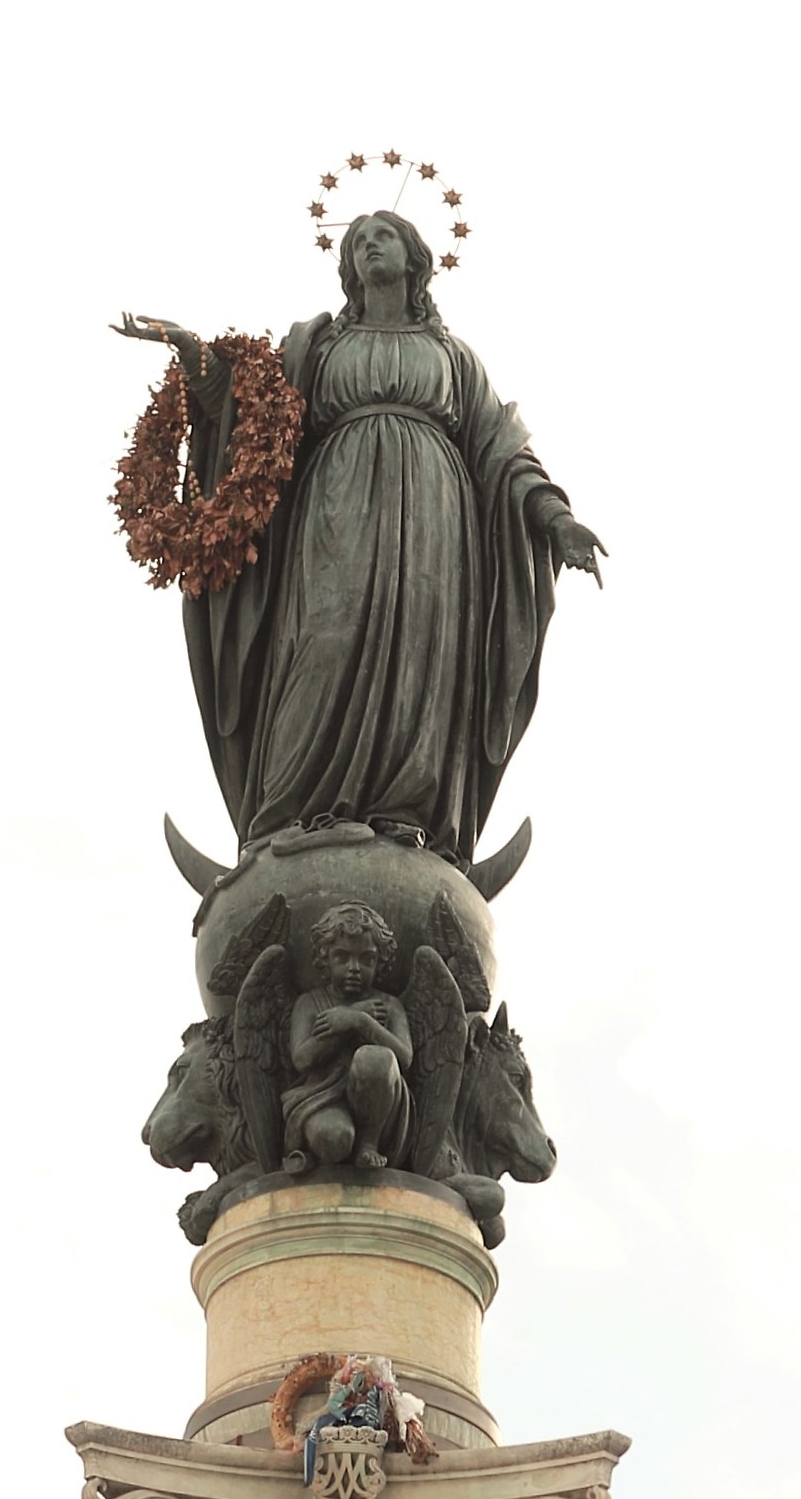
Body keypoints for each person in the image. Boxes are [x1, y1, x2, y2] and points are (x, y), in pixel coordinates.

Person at [115, 214, 605, 861]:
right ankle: (295, 811)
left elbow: (501, 451)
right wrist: (193, 355)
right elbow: (246, 417)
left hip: (435, 518)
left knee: (420, 652)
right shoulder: (317, 347)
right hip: (334, 507)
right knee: (323, 634)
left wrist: (553, 517)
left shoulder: (453, 357)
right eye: (356, 241)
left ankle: (406, 815)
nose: (369, 243)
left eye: (384, 235)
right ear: (347, 266)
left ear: (414, 258)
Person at [281, 902, 412, 1173]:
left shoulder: (389, 1005)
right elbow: (302, 1059)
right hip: (321, 1095)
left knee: (375, 1057)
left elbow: (404, 1058)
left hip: (380, 1107)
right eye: (342, 957)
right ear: (324, 960)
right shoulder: (309, 1003)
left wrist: (359, 1021)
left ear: (380, 961)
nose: (354, 968)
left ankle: (368, 1144)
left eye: (367, 959)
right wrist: (346, 1020)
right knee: (335, 1140)